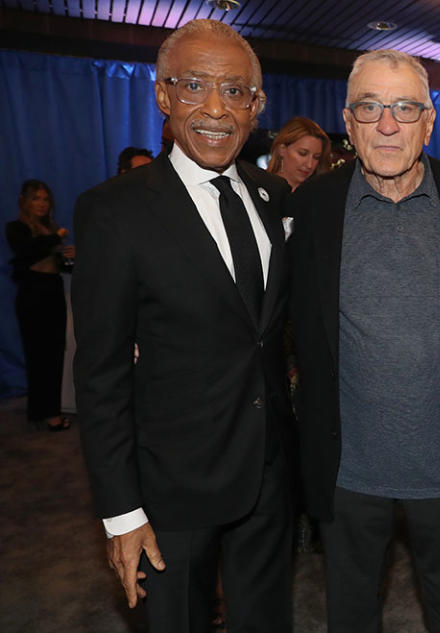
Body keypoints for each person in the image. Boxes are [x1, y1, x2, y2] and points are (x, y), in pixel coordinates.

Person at [72, 19, 294, 632]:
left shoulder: (273, 195)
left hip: (270, 476)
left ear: (258, 104)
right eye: (194, 85)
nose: (217, 108)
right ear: (163, 95)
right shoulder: (114, 210)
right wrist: (121, 513)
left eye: (235, 90)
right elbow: (101, 374)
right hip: (171, 489)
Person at [287, 49, 440, 633]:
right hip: (349, 470)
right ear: (347, 124)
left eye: (404, 108)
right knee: (350, 617)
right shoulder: (313, 207)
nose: (386, 125)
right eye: (369, 107)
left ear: (429, 122)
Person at [6, 180, 73, 431]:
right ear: (24, 201)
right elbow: (27, 254)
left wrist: (68, 257)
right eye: (37, 199)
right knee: (38, 356)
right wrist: (56, 238)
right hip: (32, 297)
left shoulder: (50, 229)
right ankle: (45, 412)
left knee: (54, 355)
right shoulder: (16, 229)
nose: (42, 204)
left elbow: (54, 264)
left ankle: (48, 411)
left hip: (52, 293)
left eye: (45, 199)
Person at [267, 116, 332, 191]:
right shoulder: (260, 188)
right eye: (302, 153)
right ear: (282, 149)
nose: (309, 165)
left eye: (316, 157)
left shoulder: (321, 194)